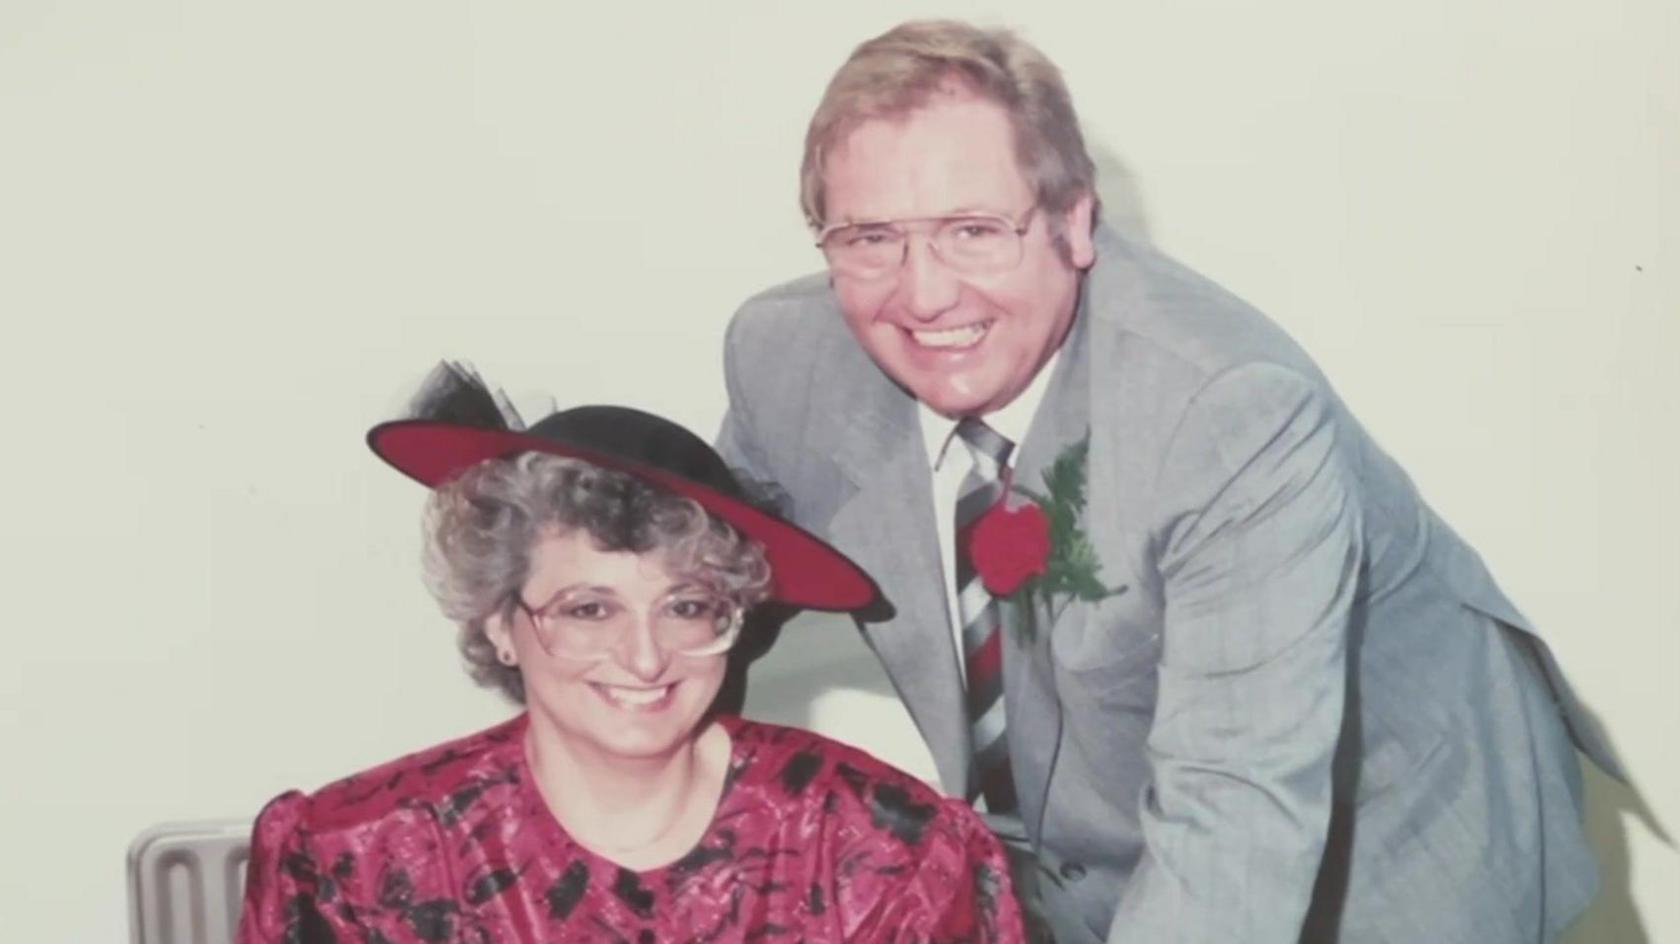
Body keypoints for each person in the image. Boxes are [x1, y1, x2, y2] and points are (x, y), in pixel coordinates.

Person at [716, 19, 1623, 943]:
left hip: (1391, 839)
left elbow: (1233, 819)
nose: (923, 294)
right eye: (869, 238)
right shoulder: (786, 362)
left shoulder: (1229, 413)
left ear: (1075, 222)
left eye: (973, 230)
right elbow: (690, 601)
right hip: (1100, 854)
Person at [235, 362, 1025, 943]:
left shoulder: (879, 847)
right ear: (501, 624)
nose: (645, 659)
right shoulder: (358, 860)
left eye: (686, 608)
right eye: (589, 609)